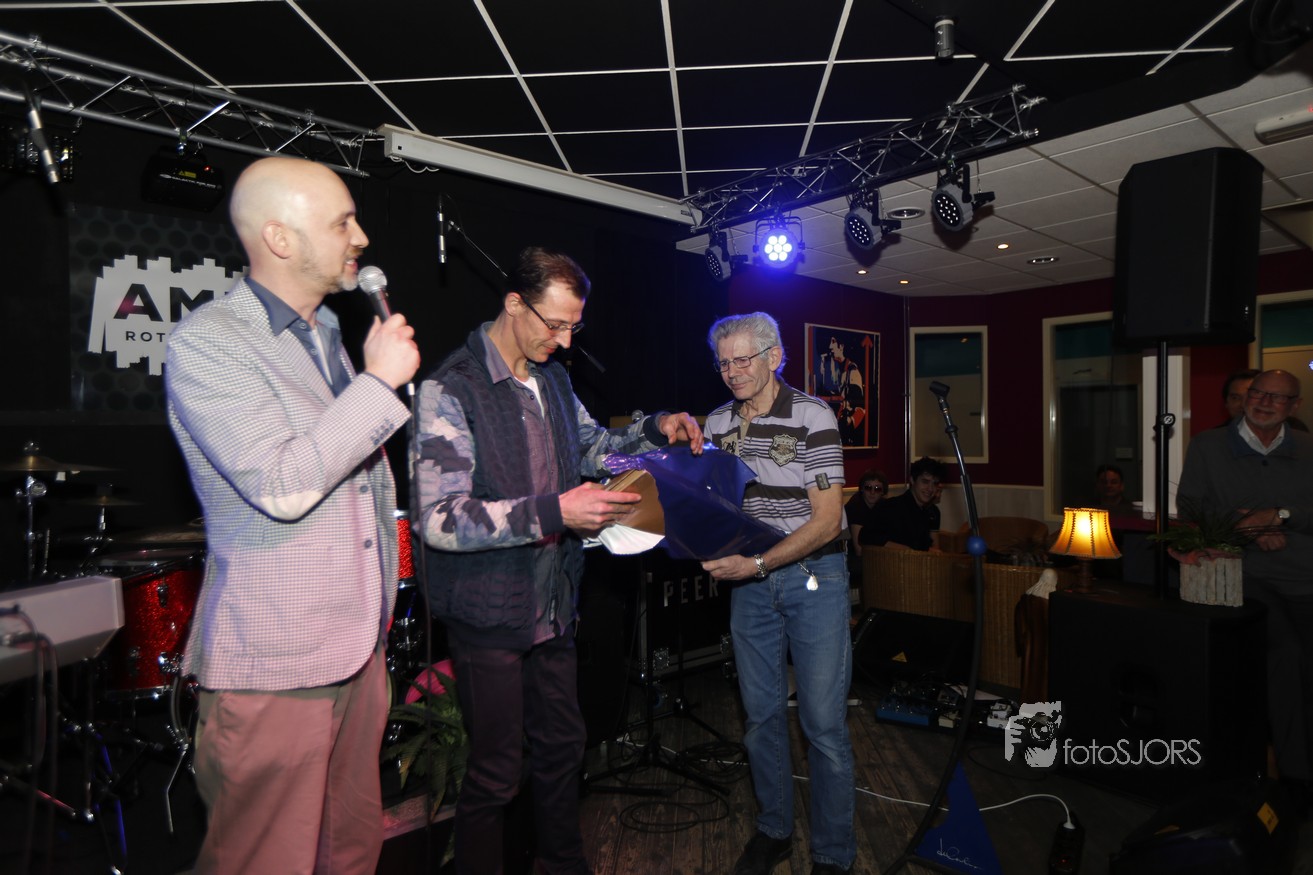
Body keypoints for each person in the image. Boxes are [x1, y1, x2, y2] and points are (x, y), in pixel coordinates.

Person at [164, 156, 420, 873]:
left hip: (356, 649)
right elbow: (281, 485)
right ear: (279, 238)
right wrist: (378, 385)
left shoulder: (328, 334)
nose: (361, 237)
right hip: (278, 663)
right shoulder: (211, 342)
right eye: (342, 223)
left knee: (351, 850)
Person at [413, 246, 703, 875]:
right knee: (495, 774)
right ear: (514, 304)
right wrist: (555, 512)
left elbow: (594, 447)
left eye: (575, 326)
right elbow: (440, 519)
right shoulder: (451, 388)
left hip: (553, 610)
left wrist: (655, 429)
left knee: (563, 751)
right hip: (489, 616)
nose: (566, 341)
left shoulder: (552, 380)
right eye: (556, 324)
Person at [699, 312, 855, 875]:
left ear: (774, 357)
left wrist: (758, 562)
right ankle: (774, 830)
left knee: (823, 726)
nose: (732, 371)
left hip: (816, 578)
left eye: (743, 359)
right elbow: (710, 502)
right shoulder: (718, 423)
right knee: (762, 718)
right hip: (750, 585)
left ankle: (833, 855)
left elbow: (828, 521)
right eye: (723, 362)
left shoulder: (813, 415)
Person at [1178, 369, 1313, 792]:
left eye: (1278, 397)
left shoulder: (1308, 447)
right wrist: (1249, 524)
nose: (1265, 402)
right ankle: (1297, 778)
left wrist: (1282, 515)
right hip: (1248, 575)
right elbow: (1190, 508)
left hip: (1306, 576)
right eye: (1258, 393)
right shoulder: (1209, 445)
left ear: (1295, 406)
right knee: (1287, 656)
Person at [858, 456, 946, 552]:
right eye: (925, 482)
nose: (930, 488)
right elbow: (865, 536)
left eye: (934, 483)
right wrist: (906, 550)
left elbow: (923, 547)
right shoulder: (891, 507)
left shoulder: (928, 512)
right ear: (912, 480)